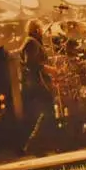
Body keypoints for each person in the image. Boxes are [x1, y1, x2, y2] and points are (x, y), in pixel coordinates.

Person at [19, 20, 57, 154]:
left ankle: (35, 145)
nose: (42, 31)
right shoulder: (32, 43)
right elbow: (31, 63)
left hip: (34, 83)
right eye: (40, 29)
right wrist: (49, 69)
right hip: (35, 83)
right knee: (47, 112)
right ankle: (34, 144)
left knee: (42, 113)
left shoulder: (32, 42)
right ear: (36, 30)